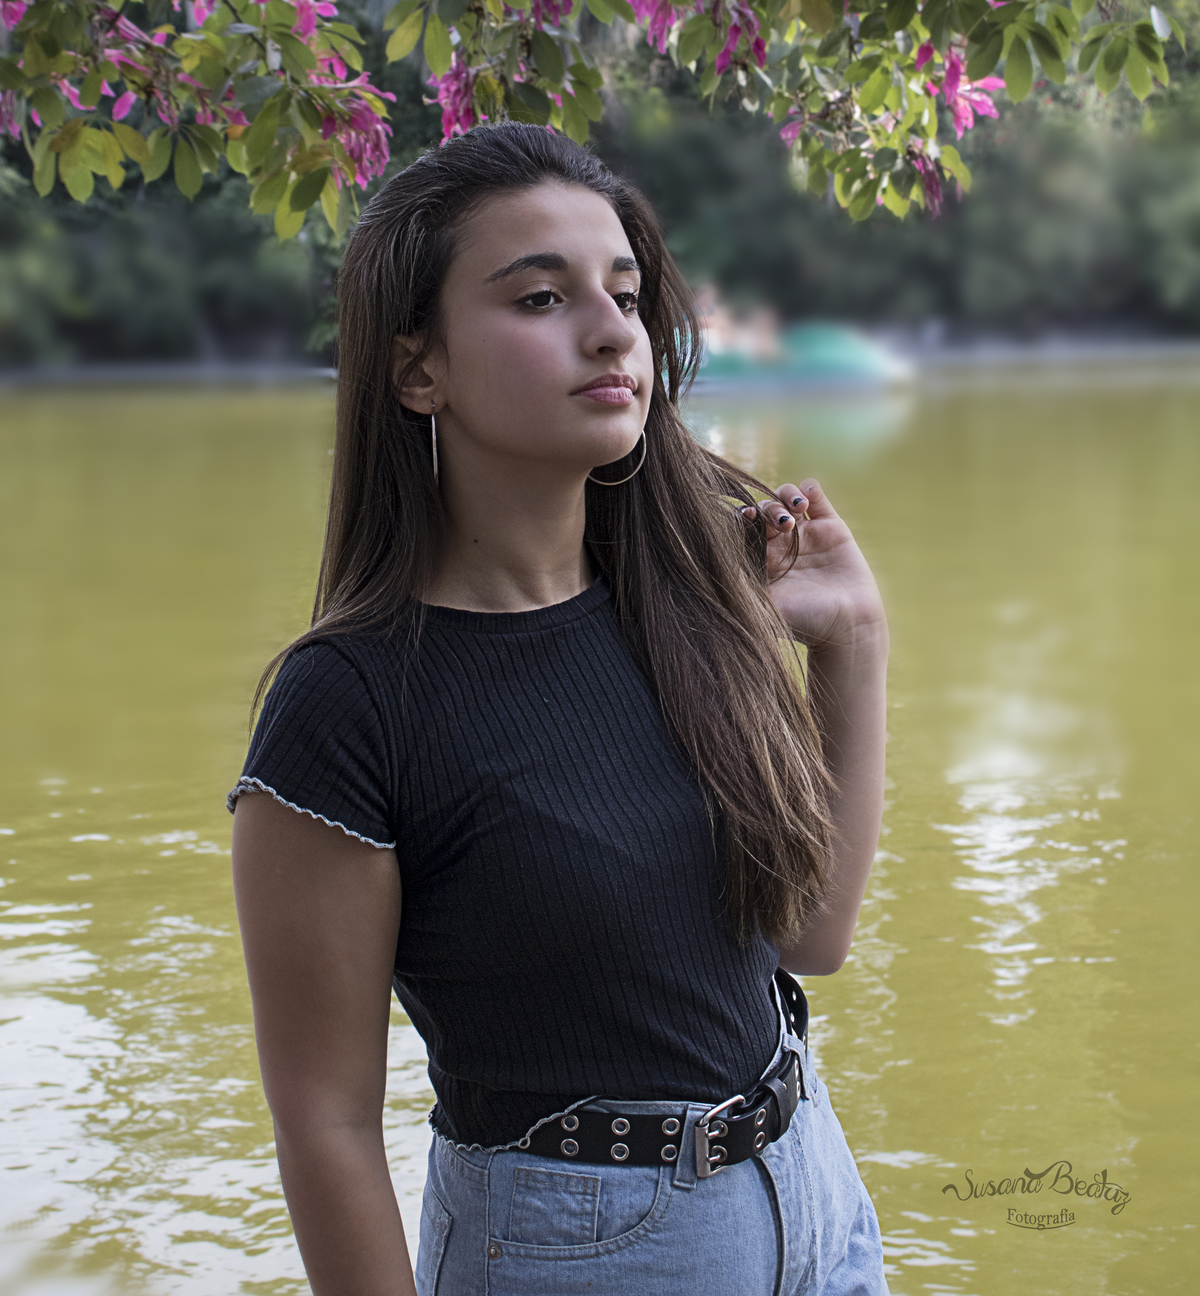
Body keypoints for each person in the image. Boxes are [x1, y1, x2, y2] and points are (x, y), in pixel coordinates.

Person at [229, 122, 890, 1296]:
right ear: (417, 369)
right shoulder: (351, 704)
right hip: (582, 1248)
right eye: (541, 297)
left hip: (816, 1200)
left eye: (624, 294)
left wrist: (851, 645)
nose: (612, 330)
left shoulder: (690, 604)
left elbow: (809, 939)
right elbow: (325, 1126)